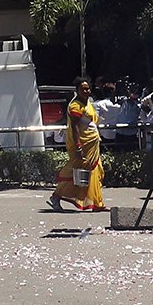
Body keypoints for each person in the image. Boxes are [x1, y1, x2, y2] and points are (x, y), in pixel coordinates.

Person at [52, 78, 105, 212]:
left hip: (92, 143)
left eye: (87, 89)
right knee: (74, 173)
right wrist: (78, 145)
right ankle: (56, 196)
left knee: (96, 171)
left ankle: (97, 203)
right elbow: (75, 126)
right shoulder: (75, 105)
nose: (86, 91)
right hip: (82, 144)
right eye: (83, 89)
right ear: (77, 91)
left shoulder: (88, 103)